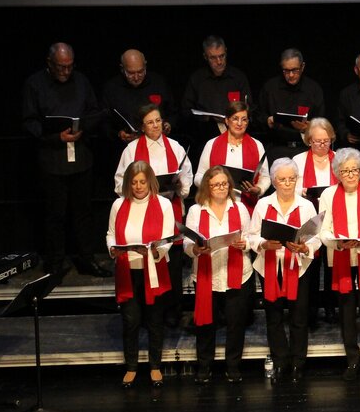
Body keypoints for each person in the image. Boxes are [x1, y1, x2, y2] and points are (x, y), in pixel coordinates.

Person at [22, 42, 111, 277]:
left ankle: (86, 259)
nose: (66, 72)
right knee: (55, 214)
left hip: (81, 156)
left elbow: (94, 111)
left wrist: (85, 127)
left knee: (83, 212)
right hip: (52, 158)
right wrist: (54, 136)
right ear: (50, 64)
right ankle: (54, 263)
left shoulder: (81, 81)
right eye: (61, 67)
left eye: (69, 66)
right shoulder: (35, 84)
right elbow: (29, 122)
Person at [113, 103, 192, 327]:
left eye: (158, 120)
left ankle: (172, 313)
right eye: (150, 122)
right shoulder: (131, 150)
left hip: (170, 210)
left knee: (172, 267)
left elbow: (187, 176)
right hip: (140, 215)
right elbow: (120, 181)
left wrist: (178, 186)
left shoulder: (175, 147)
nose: (155, 125)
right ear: (142, 126)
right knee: (147, 265)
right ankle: (149, 315)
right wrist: (139, 190)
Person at [246, 158, 322, 384]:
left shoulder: (306, 205)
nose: (287, 183)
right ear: (275, 181)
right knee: (274, 314)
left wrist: (305, 246)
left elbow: (316, 236)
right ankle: (280, 360)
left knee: (299, 315)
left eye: (291, 179)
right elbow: (251, 234)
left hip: (298, 265)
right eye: (282, 179)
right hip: (270, 264)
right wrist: (262, 244)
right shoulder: (263, 204)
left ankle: (298, 362)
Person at [319, 148, 360, 382]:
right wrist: (337, 244)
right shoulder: (328, 194)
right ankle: (352, 360)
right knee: (346, 311)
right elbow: (323, 230)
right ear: (337, 172)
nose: (350, 175)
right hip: (341, 257)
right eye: (345, 171)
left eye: (354, 170)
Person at [106, 161, 175, 388]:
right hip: (128, 271)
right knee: (131, 321)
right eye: (134, 182)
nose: (138, 186)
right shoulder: (118, 205)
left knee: (155, 320)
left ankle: (155, 366)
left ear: (150, 181)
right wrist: (113, 249)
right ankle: (131, 366)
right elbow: (111, 234)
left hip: (154, 270)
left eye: (142, 182)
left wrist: (156, 250)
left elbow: (167, 238)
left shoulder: (164, 204)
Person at [183, 166, 253, 383]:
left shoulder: (240, 208)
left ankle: (233, 365)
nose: (221, 188)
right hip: (207, 275)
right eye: (216, 185)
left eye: (224, 184)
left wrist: (245, 244)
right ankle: (204, 366)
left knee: (235, 323)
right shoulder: (197, 210)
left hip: (237, 274)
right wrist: (195, 249)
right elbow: (187, 241)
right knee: (205, 323)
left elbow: (251, 236)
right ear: (207, 187)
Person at [292, 117, 338, 326]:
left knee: (331, 266)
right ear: (309, 140)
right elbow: (289, 187)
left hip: (333, 219)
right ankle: (310, 309)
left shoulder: (338, 159)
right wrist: (301, 192)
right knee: (310, 265)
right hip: (307, 218)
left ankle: (330, 306)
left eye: (326, 141)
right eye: (317, 141)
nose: (322, 145)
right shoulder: (298, 160)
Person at [194, 100, 270, 209]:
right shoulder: (211, 144)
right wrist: (213, 183)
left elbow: (265, 177)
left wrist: (259, 189)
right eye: (235, 119)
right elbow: (199, 176)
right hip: (216, 203)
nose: (239, 123)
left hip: (246, 205)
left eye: (244, 119)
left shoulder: (257, 146)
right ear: (226, 120)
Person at [181, 35, 253, 147]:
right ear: (205, 57)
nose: (219, 61)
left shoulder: (238, 78)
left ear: (226, 52)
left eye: (222, 56)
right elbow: (186, 111)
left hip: (236, 136)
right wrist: (204, 118)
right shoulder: (197, 79)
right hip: (204, 137)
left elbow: (249, 107)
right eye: (213, 58)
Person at [258, 48, 326, 161]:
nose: (290, 75)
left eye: (295, 70)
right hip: (276, 149)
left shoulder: (313, 90)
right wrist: (267, 120)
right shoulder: (270, 88)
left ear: (302, 67)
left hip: (304, 149)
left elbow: (322, 123)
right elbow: (258, 115)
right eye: (286, 70)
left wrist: (308, 128)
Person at [101, 49, 177, 144]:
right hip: (124, 147)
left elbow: (173, 112)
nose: (136, 77)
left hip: (157, 144)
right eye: (131, 73)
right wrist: (118, 133)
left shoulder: (158, 83)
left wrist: (168, 124)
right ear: (122, 68)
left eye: (140, 72)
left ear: (145, 65)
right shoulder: (111, 88)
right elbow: (104, 122)